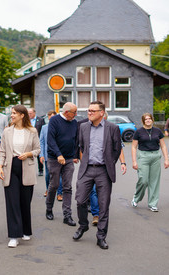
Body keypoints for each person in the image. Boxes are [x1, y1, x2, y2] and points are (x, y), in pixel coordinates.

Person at [73, 101, 121, 250]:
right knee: (80, 200)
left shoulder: (113, 128)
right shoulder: (83, 127)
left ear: (102, 113)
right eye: (88, 110)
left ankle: (101, 236)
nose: (89, 113)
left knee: (103, 205)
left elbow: (117, 149)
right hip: (86, 169)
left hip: (103, 171)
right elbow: (81, 146)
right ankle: (83, 225)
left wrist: (109, 164)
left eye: (93, 111)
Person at [0, 105, 40, 248]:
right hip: (10, 168)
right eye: (12, 113)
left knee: (24, 201)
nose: (12, 116)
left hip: (26, 167)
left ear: (22, 115)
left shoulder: (32, 131)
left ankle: (26, 230)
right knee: (12, 202)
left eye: (14, 113)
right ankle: (14, 236)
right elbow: (2, 151)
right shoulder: (7, 132)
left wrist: (28, 154)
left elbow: (38, 149)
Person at [89, 111, 127, 226]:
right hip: (92, 166)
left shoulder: (112, 130)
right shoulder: (88, 129)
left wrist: (123, 163)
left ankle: (102, 212)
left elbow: (119, 148)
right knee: (94, 190)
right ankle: (96, 214)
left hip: (106, 167)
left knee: (103, 192)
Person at [45, 102, 78, 227]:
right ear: (66, 112)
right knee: (54, 185)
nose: (75, 115)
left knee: (67, 187)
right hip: (55, 158)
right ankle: (49, 208)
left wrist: (75, 155)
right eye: (74, 113)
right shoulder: (54, 121)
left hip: (68, 159)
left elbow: (75, 139)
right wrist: (58, 154)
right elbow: (50, 139)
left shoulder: (74, 122)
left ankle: (67, 215)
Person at [131, 113, 169, 212]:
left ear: (152, 120)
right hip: (143, 156)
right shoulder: (138, 132)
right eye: (146, 119)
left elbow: (163, 146)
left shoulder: (157, 131)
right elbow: (134, 147)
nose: (148, 120)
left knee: (154, 182)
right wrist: (134, 161)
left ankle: (153, 204)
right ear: (143, 121)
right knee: (143, 181)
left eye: (149, 119)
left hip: (156, 156)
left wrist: (166, 159)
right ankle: (136, 198)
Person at [39, 110, 63, 200]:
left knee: (59, 174)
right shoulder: (44, 128)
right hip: (47, 154)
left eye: (53, 116)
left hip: (58, 154)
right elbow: (41, 142)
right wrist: (41, 155)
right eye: (49, 116)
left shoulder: (60, 127)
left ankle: (59, 193)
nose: (51, 118)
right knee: (48, 174)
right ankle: (48, 189)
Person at [28, 108, 45, 176]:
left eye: (30, 113)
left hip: (37, 139)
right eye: (28, 113)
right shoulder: (27, 120)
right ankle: (29, 170)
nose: (29, 115)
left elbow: (42, 130)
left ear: (34, 113)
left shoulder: (40, 120)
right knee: (29, 155)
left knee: (38, 154)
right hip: (29, 140)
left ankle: (40, 170)